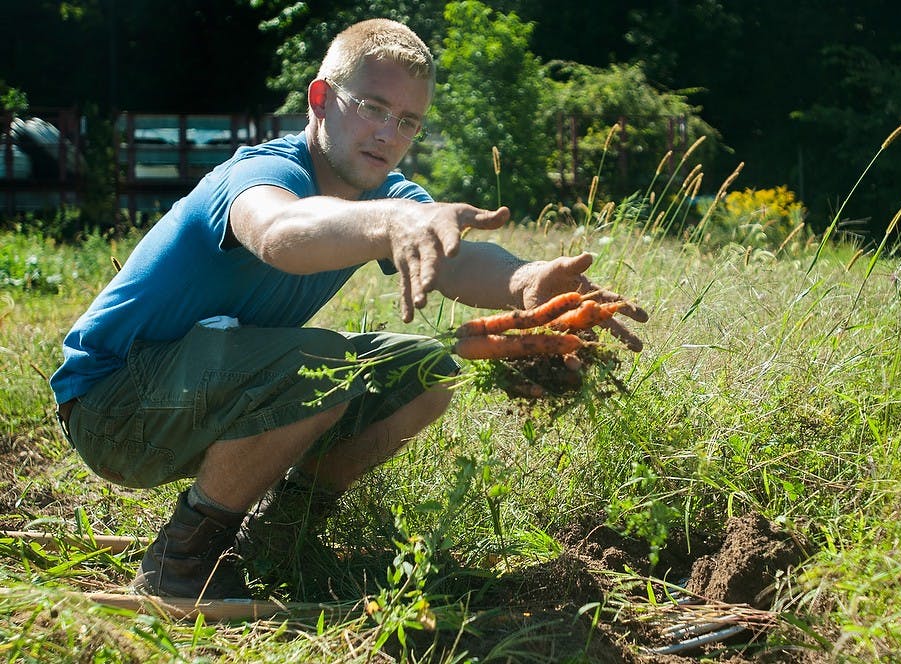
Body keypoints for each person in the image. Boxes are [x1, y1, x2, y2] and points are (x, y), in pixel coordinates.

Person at [50, 18, 646, 600]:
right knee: (322, 365)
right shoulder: (262, 173)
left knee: (428, 369)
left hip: (195, 393)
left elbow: (456, 260)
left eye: (407, 121)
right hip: (111, 405)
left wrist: (526, 279)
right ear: (320, 99)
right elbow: (280, 230)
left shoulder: (388, 194)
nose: (388, 133)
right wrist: (390, 223)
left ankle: (279, 539)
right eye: (372, 107)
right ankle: (180, 563)